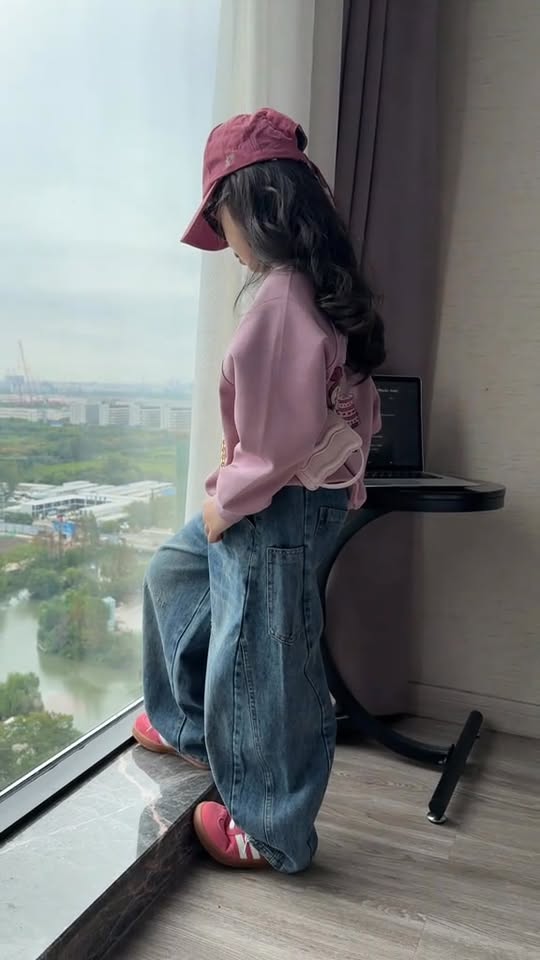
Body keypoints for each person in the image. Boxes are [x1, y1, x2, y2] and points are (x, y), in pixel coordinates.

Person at [132, 108, 384, 873]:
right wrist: (344, 486)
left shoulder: (281, 301)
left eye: (221, 221)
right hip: (294, 498)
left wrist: (224, 502)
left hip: (273, 503)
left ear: (256, 206)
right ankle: (191, 725)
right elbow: (357, 408)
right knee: (177, 574)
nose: (226, 241)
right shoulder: (319, 292)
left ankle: (271, 829)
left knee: (266, 658)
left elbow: (277, 445)